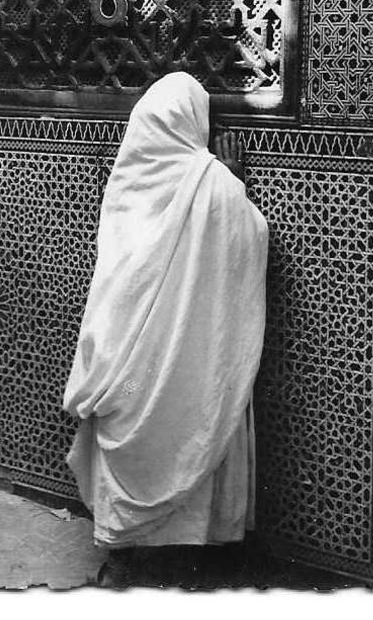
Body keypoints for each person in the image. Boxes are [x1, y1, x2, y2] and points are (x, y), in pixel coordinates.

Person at [63, 71, 269, 588]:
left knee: (130, 421)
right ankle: (183, 557)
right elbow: (252, 238)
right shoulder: (214, 184)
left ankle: (125, 555)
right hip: (187, 368)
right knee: (188, 416)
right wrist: (232, 181)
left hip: (123, 365)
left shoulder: (128, 179)